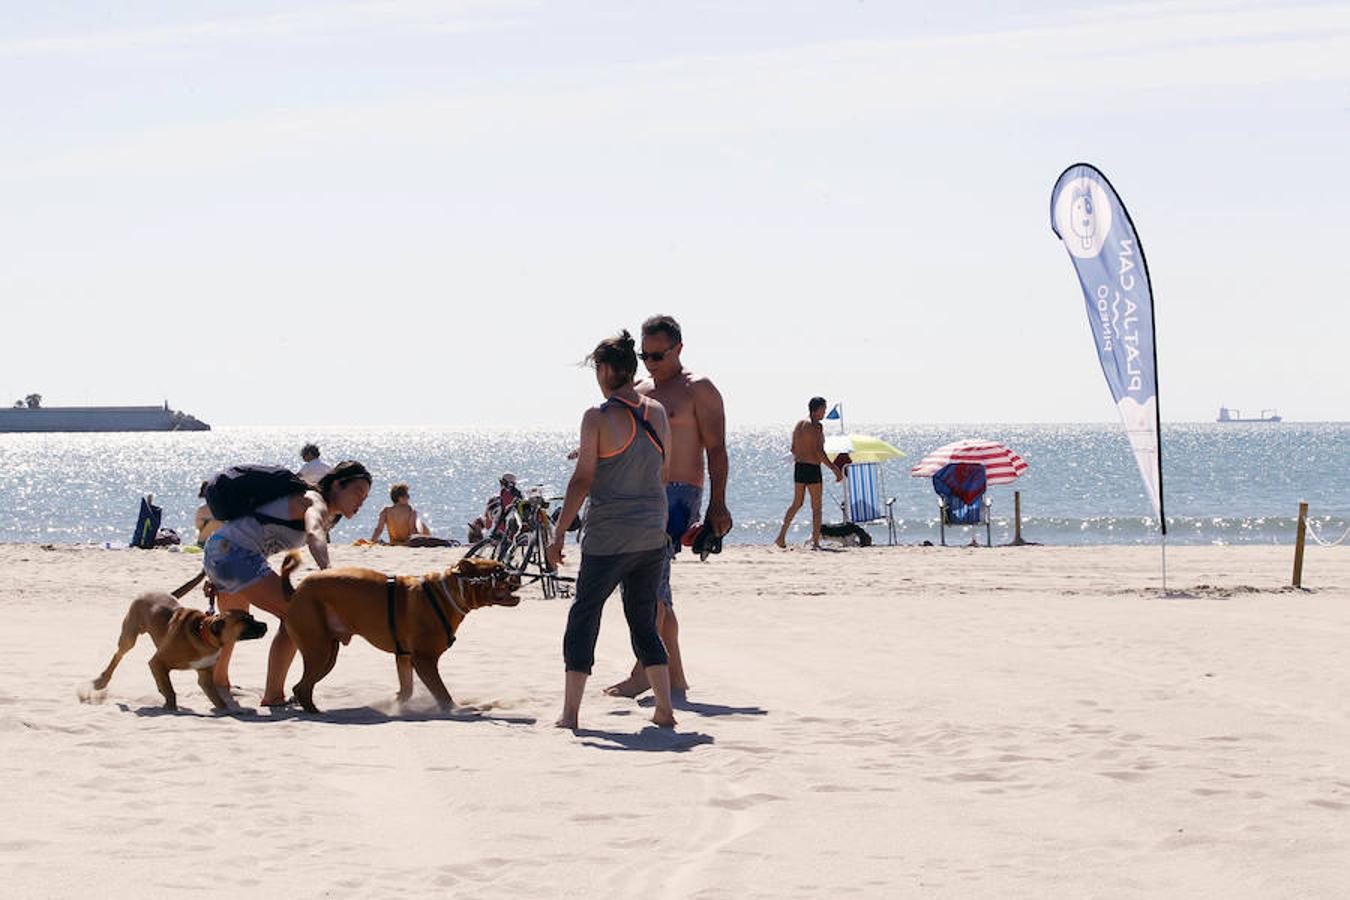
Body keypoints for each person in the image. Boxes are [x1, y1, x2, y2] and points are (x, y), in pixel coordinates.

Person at [547, 330, 676, 730]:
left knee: (584, 616)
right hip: (653, 532)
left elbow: (581, 481)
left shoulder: (597, 417)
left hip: (609, 538)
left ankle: (570, 713)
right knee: (642, 618)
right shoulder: (657, 412)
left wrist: (558, 534)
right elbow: (662, 471)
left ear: (604, 370)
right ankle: (665, 709)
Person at [605, 314, 731, 700]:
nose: (650, 363)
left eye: (658, 355)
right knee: (657, 589)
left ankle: (644, 668)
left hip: (678, 495)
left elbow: (717, 449)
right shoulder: (640, 390)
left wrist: (718, 505)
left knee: (647, 585)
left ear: (679, 348)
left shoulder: (699, 389)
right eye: (644, 355)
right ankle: (673, 677)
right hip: (640, 495)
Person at [203, 460, 372, 706]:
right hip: (235, 555)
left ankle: (219, 684)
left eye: (366, 497)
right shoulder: (315, 501)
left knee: (235, 619)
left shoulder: (315, 505)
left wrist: (213, 571)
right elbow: (314, 532)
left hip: (220, 550)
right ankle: (273, 696)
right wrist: (328, 573)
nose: (361, 501)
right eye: (357, 491)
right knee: (296, 616)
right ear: (337, 484)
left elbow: (246, 527)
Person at [775, 397, 845, 549]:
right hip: (812, 468)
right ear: (816, 409)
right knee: (817, 507)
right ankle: (815, 542)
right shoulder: (816, 427)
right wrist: (834, 469)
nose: (824, 413)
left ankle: (781, 537)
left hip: (799, 467)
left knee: (796, 503)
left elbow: (793, 449)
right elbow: (819, 452)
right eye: (823, 410)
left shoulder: (799, 425)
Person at [369, 483, 457, 547]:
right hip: (408, 541)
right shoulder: (410, 511)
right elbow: (413, 531)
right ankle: (431, 537)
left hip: (394, 542)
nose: (408, 497)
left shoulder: (386, 511)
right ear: (399, 498)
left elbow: (379, 529)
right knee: (421, 523)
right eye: (406, 495)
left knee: (420, 523)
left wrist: (371, 541)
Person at [467, 474, 523, 544]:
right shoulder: (519, 498)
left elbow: (488, 526)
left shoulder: (493, 501)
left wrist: (480, 525)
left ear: (501, 483)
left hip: (501, 537)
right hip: (518, 538)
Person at [194, 481, 222, 548]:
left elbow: (198, 527)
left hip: (203, 541)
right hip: (216, 542)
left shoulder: (201, 510)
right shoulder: (222, 509)